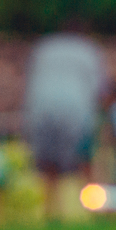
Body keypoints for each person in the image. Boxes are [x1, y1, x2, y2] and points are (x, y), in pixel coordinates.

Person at [22, 25, 107, 219]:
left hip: (41, 108)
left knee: (48, 164)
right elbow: (100, 88)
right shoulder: (88, 48)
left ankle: (50, 210)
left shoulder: (44, 47)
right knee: (85, 161)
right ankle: (97, 211)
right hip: (76, 109)